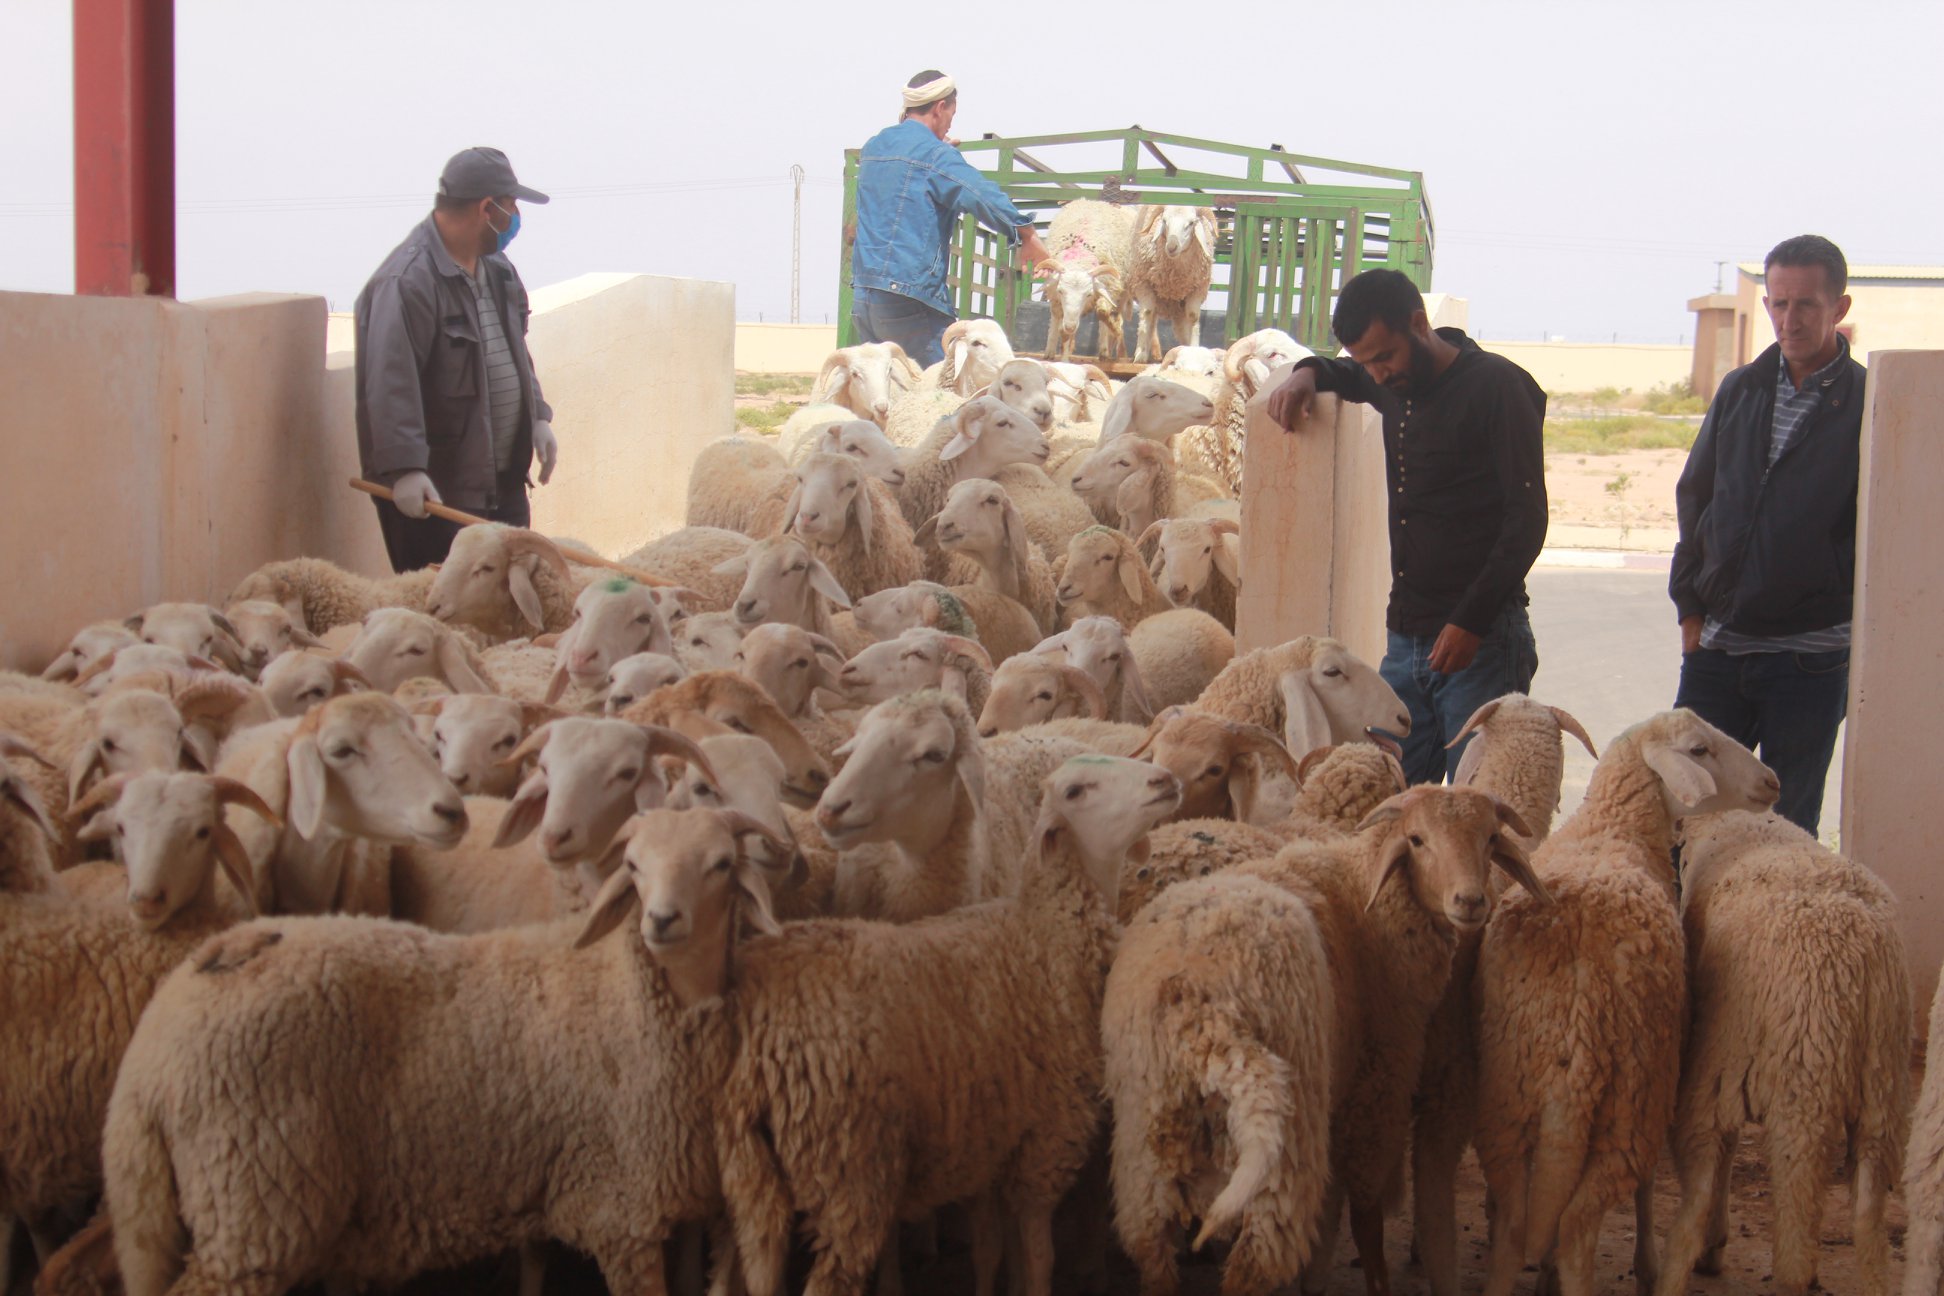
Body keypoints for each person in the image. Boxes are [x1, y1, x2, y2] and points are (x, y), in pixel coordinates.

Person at [1267, 269, 1548, 785]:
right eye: (1366, 361)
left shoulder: (1498, 386)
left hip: (1480, 643)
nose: (1376, 375)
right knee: (1386, 799)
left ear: (1419, 325)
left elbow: (1527, 519)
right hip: (1405, 642)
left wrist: (1471, 621)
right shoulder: (1391, 380)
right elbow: (1346, 373)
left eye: (1384, 357)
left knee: (1475, 811)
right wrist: (1306, 371)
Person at [1670, 235, 1860, 836]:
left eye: (1805, 304)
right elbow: (1695, 497)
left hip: (1809, 660)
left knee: (1784, 825)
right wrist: (1690, 610)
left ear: (1840, 308)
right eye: (1778, 303)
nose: (1788, 319)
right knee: (1683, 814)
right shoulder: (1741, 389)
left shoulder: (1867, 402)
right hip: (1718, 652)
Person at [354, 147, 560, 574]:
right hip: (439, 501)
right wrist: (405, 470)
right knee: (445, 618)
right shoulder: (407, 283)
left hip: (502, 488)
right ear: (487, 209)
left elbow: (515, 350)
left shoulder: (498, 269)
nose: (516, 217)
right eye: (511, 206)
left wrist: (537, 416)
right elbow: (390, 384)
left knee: (506, 614)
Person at [849, 69, 1051, 368]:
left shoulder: (874, 147)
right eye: (951, 115)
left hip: (864, 297)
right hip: (909, 300)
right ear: (940, 107)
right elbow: (977, 192)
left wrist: (938, 152)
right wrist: (1025, 232)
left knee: (889, 397)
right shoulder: (935, 156)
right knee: (943, 391)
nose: (949, 124)